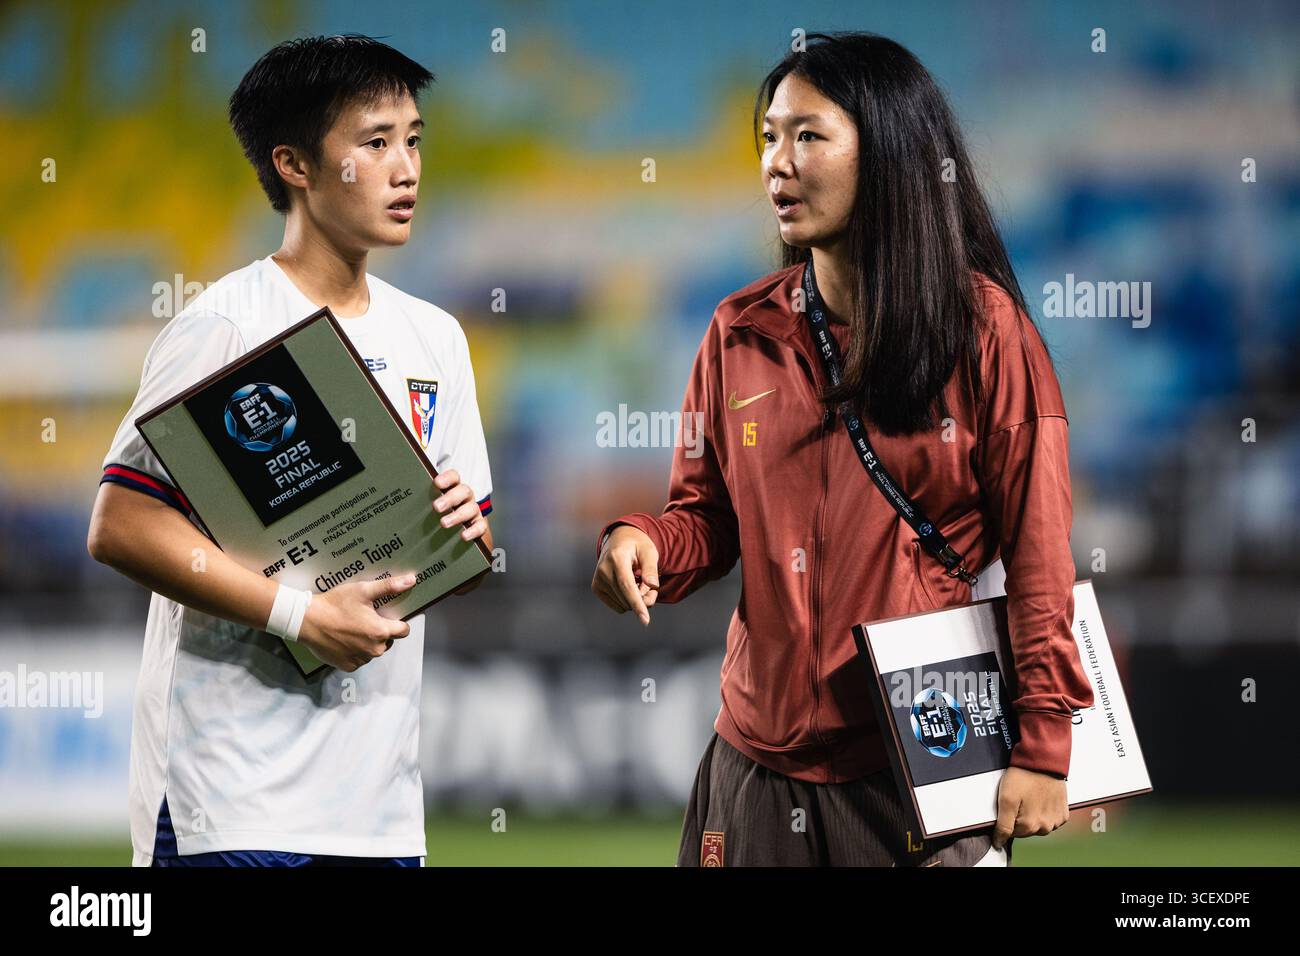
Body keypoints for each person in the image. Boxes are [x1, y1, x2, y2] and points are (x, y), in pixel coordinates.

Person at [591, 32, 1094, 867]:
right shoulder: (737, 331)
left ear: (891, 152)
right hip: (754, 766)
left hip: (920, 762)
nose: (776, 165)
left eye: (808, 135)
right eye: (768, 137)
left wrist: (1044, 742)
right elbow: (707, 520)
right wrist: (639, 541)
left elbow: (1038, 554)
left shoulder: (986, 333)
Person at [87, 35, 494, 866]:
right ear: (296, 165)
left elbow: (469, 538)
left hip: (378, 809)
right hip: (232, 800)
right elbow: (120, 524)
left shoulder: (437, 338)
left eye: (414, 139)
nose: (406, 167)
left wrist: (462, 530)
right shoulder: (225, 327)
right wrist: (299, 615)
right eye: (374, 143)